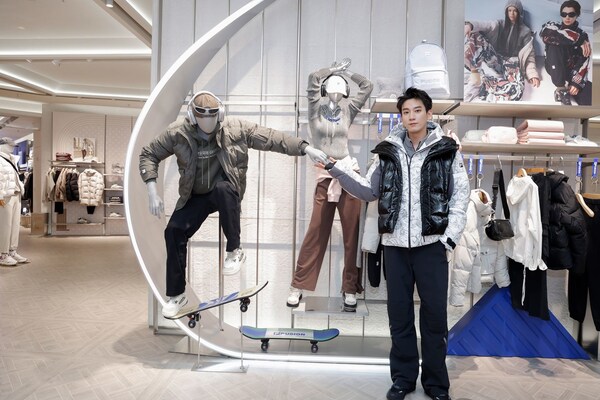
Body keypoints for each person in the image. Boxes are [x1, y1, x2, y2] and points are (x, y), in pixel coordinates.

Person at [324, 88, 469, 400]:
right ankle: (403, 379)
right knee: (399, 317)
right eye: (406, 112)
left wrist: (448, 240)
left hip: (432, 245)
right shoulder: (387, 152)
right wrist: (336, 169)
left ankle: (436, 384)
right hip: (395, 247)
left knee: (434, 318)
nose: (411, 116)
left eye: (417, 110)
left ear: (429, 113)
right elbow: (368, 190)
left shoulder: (446, 150)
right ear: (401, 117)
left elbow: (460, 196)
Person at [139, 91, 328, 318]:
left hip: (224, 192)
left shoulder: (236, 128)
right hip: (195, 195)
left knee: (223, 189)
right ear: (192, 116)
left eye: (212, 117)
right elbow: (149, 154)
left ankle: (234, 250)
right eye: (202, 118)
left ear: (220, 115)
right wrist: (151, 188)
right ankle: (177, 295)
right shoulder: (177, 132)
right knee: (173, 231)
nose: (207, 122)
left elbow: (272, 138)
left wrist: (305, 148)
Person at [286, 58, 373, 311]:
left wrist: (349, 72)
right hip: (325, 176)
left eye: (340, 83)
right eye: (331, 82)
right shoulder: (315, 109)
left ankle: (350, 287)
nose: (336, 85)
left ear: (345, 90)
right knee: (316, 232)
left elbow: (367, 86)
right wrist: (331, 70)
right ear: (324, 88)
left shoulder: (348, 110)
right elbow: (312, 79)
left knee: (352, 235)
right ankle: (298, 285)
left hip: (348, 174)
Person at [464, 0, 540, 102]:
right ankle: (475, 74)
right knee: (476, 35)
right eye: (509, 10)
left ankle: (486, 84)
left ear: (520, 13)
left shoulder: (525, 31)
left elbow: (529, 56)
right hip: (497, 60)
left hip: (512, 65)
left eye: (515, 11)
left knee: (517, 90)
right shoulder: (500, 24)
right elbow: (484, 25)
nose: (512, 14)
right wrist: (470, 25)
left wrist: (533, 74)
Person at [540, 0, 592, 105]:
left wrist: (576, 83)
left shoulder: (583, 34)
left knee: (590, 97)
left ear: (577, 15)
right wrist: (579, 40)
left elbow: (584, 58)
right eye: (564, 14)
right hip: (554, 65)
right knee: (555, 44)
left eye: (571, 14)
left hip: (571, 70)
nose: (567, 17)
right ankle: (561, 89)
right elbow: (545, 34)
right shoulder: (553, 25)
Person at [0, 137, 29, 266]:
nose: (12, 147)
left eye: (13, 145)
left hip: (16, 195)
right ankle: (2, 254)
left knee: (15, 225)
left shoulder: (12, 159)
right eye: (9, 145)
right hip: (5, 197)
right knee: (5, 226)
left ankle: (12, 251)